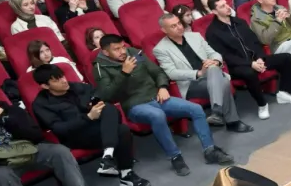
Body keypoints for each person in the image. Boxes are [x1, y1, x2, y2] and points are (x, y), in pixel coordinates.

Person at [92, 34, 234, 176]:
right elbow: (107, 95)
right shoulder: (100, 67)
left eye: (123, 46)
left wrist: (162, 87)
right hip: (135, 105)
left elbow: (158, 72)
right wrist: (124, 73)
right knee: (157, 115)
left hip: (157, 97)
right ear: (105, 52)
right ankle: (175, 156)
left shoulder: (134, 53)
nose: (123, 51)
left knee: (195, 109)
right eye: (116, 49)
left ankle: (210, 150)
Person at [30, 65, 150, 186]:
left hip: (96, 125)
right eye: (56, 80)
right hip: (75, 136)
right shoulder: (41, 104)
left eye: (62, 76)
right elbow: (60, 129)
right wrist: (88, 117)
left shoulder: (78, 87)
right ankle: (122, 171)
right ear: (45, 86)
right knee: (121, 130)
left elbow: (99, 96)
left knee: (108, 108)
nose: (64, 81)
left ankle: (108, 156)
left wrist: (96, 104)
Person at [153, 13, 254, 133]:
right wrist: (199, 73)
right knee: (224, 83)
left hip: (211, 74)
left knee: (213, 68)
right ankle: (232, 121)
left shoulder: (195, 36)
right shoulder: (160, 49)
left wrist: (215, 61)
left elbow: (213, 53)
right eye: (173, 26)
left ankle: (217, 112)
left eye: (179, 23)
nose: (179, 27)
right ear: (164, 30)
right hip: (191, 83)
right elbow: (171, 72)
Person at [204, 0, 291, 118]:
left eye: (226, 3)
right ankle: (262, 105)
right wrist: (250, 64)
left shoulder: (239, 22)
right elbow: (226, 56)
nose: (227, 7)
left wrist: (260, 58)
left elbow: (255, 42)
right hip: (237, 65)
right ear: (214, 11)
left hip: (256, 59)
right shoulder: (212, 32)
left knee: (287, 57)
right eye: (222, 6)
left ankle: (284, 93)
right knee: (249, 72)